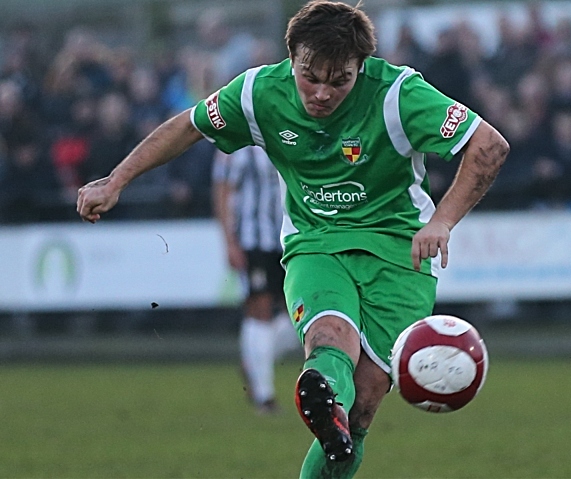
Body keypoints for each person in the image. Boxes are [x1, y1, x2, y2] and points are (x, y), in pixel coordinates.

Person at [76, 1, 510, 477]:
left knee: (362, 405)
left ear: (360, 68)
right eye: (310, 76)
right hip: (315, 240)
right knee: (329, 337)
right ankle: (323, 399)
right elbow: (188, 126)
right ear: (291, 57)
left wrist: (443, 221)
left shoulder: (398, 94)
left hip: (399, 251)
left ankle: (332, 413)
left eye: (339, 80)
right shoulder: (259, 92)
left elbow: (488, 145)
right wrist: (115, 180)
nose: (322, 92)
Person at [211, 145, 299, 414]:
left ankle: (254, 362)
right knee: (259, 309)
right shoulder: (236, 146)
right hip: (253, 240)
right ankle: (264, 396)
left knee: (300, 315)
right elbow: (222, 190)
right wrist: (229, 241)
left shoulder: (290, 132)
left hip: (291, 239)